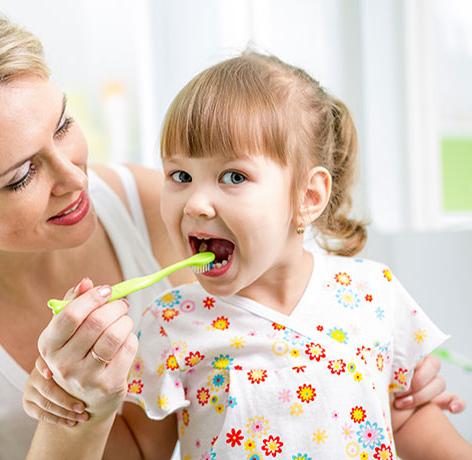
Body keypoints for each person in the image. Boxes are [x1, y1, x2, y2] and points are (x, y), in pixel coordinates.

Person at [0, 3, 458, 459]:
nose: (76, 177)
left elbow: (303, 329)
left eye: (62, 124)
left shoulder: (162, 206)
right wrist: (81, 406)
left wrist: (381, 379)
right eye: (22, 174)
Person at [29, 52, 472, 459]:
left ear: (308, 196)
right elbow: (143, 452)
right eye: (180, 174)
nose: (196, 204)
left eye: (233, 176)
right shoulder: (169, 324)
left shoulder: (373, 293)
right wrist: (84, 398)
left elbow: (408, 419)